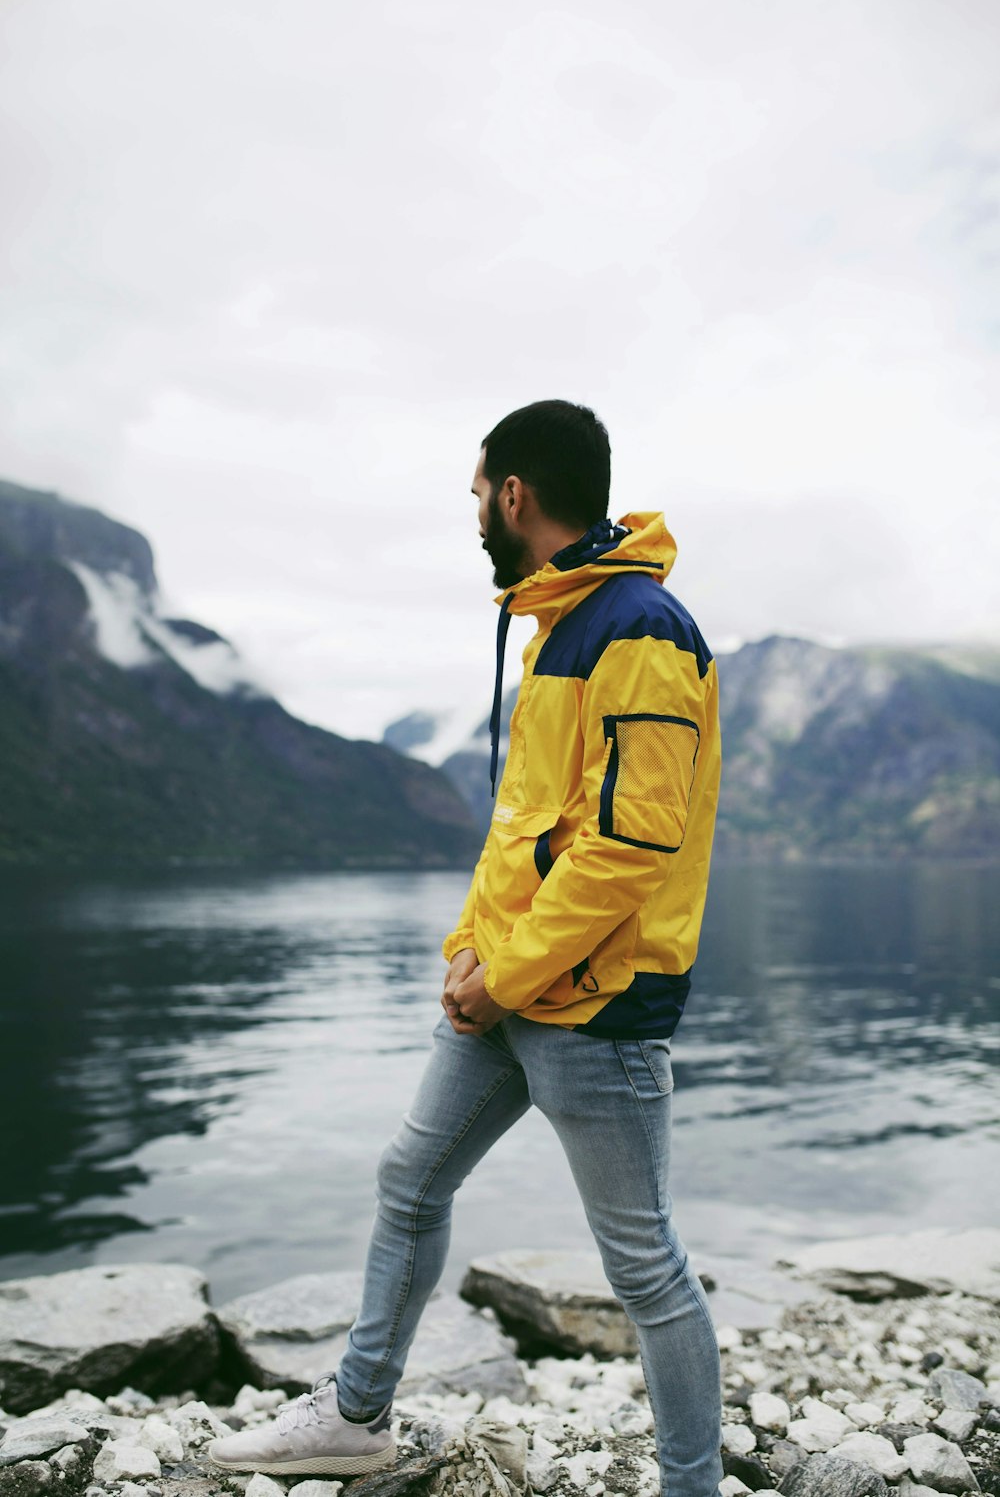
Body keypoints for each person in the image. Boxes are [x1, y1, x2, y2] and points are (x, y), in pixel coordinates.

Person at [209, 400, 724, 1497]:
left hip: (594, 1005)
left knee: (644, 1269)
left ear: (515, 496)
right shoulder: (558, 623)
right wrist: (468, 955)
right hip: (512, 990)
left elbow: (632, 846)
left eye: (476, 493)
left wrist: (508, 974)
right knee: (410, 1179)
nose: (475, 514)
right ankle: (356, 1415)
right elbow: (526, 828)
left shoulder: (639, 631)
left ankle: (691, 1485)